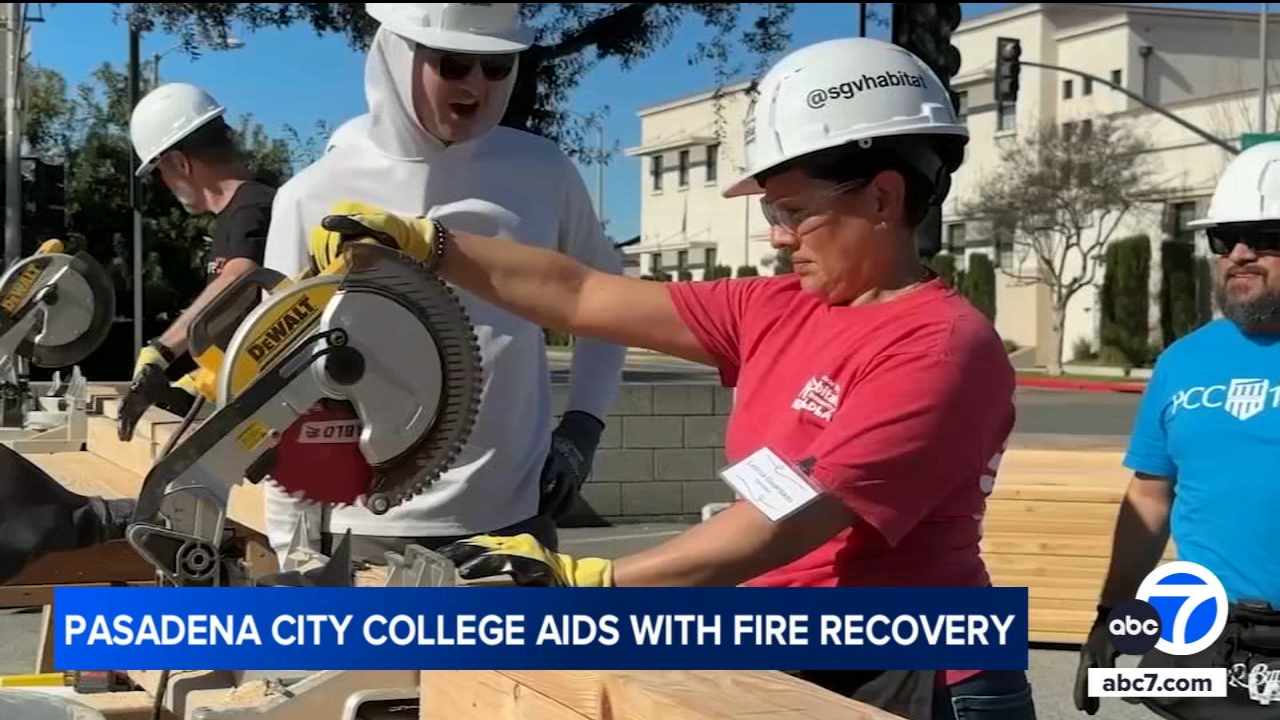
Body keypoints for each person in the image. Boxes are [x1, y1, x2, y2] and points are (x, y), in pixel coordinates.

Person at [313, 35, 1037, 720]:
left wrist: (588, 582)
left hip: (919, 675)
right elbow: (580, 294)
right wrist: (424, 242)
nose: (776, 235)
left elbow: (783, 525)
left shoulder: (940, 350)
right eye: (770, 212)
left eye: (793, 211)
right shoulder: (779, 307)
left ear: (883, 199)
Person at [260, 3, 625, 563]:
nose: (476, 85)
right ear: (398, 56)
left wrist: (584, 426)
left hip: (512, 524)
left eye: (497, 67)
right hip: (364, 533)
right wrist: (294, 545)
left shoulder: (543, 173)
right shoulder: (312, 195)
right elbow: (274, 379)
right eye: (453, 64)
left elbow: (606, 300)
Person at [1073, 142, 1280, 718]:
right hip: (1210, 641)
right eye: (1224, 238)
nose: (1240, 253)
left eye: (1265, 236)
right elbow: (1149, 495)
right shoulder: (1183, 362)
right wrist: (1113, 617)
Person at [119, 82, 277, 439]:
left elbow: (241, 277)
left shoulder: (253, 207)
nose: (165, 183)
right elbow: (251, 321)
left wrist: (160, 352)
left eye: (161, 171)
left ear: (179, 162)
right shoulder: (235, 216)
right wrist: (197, 384)